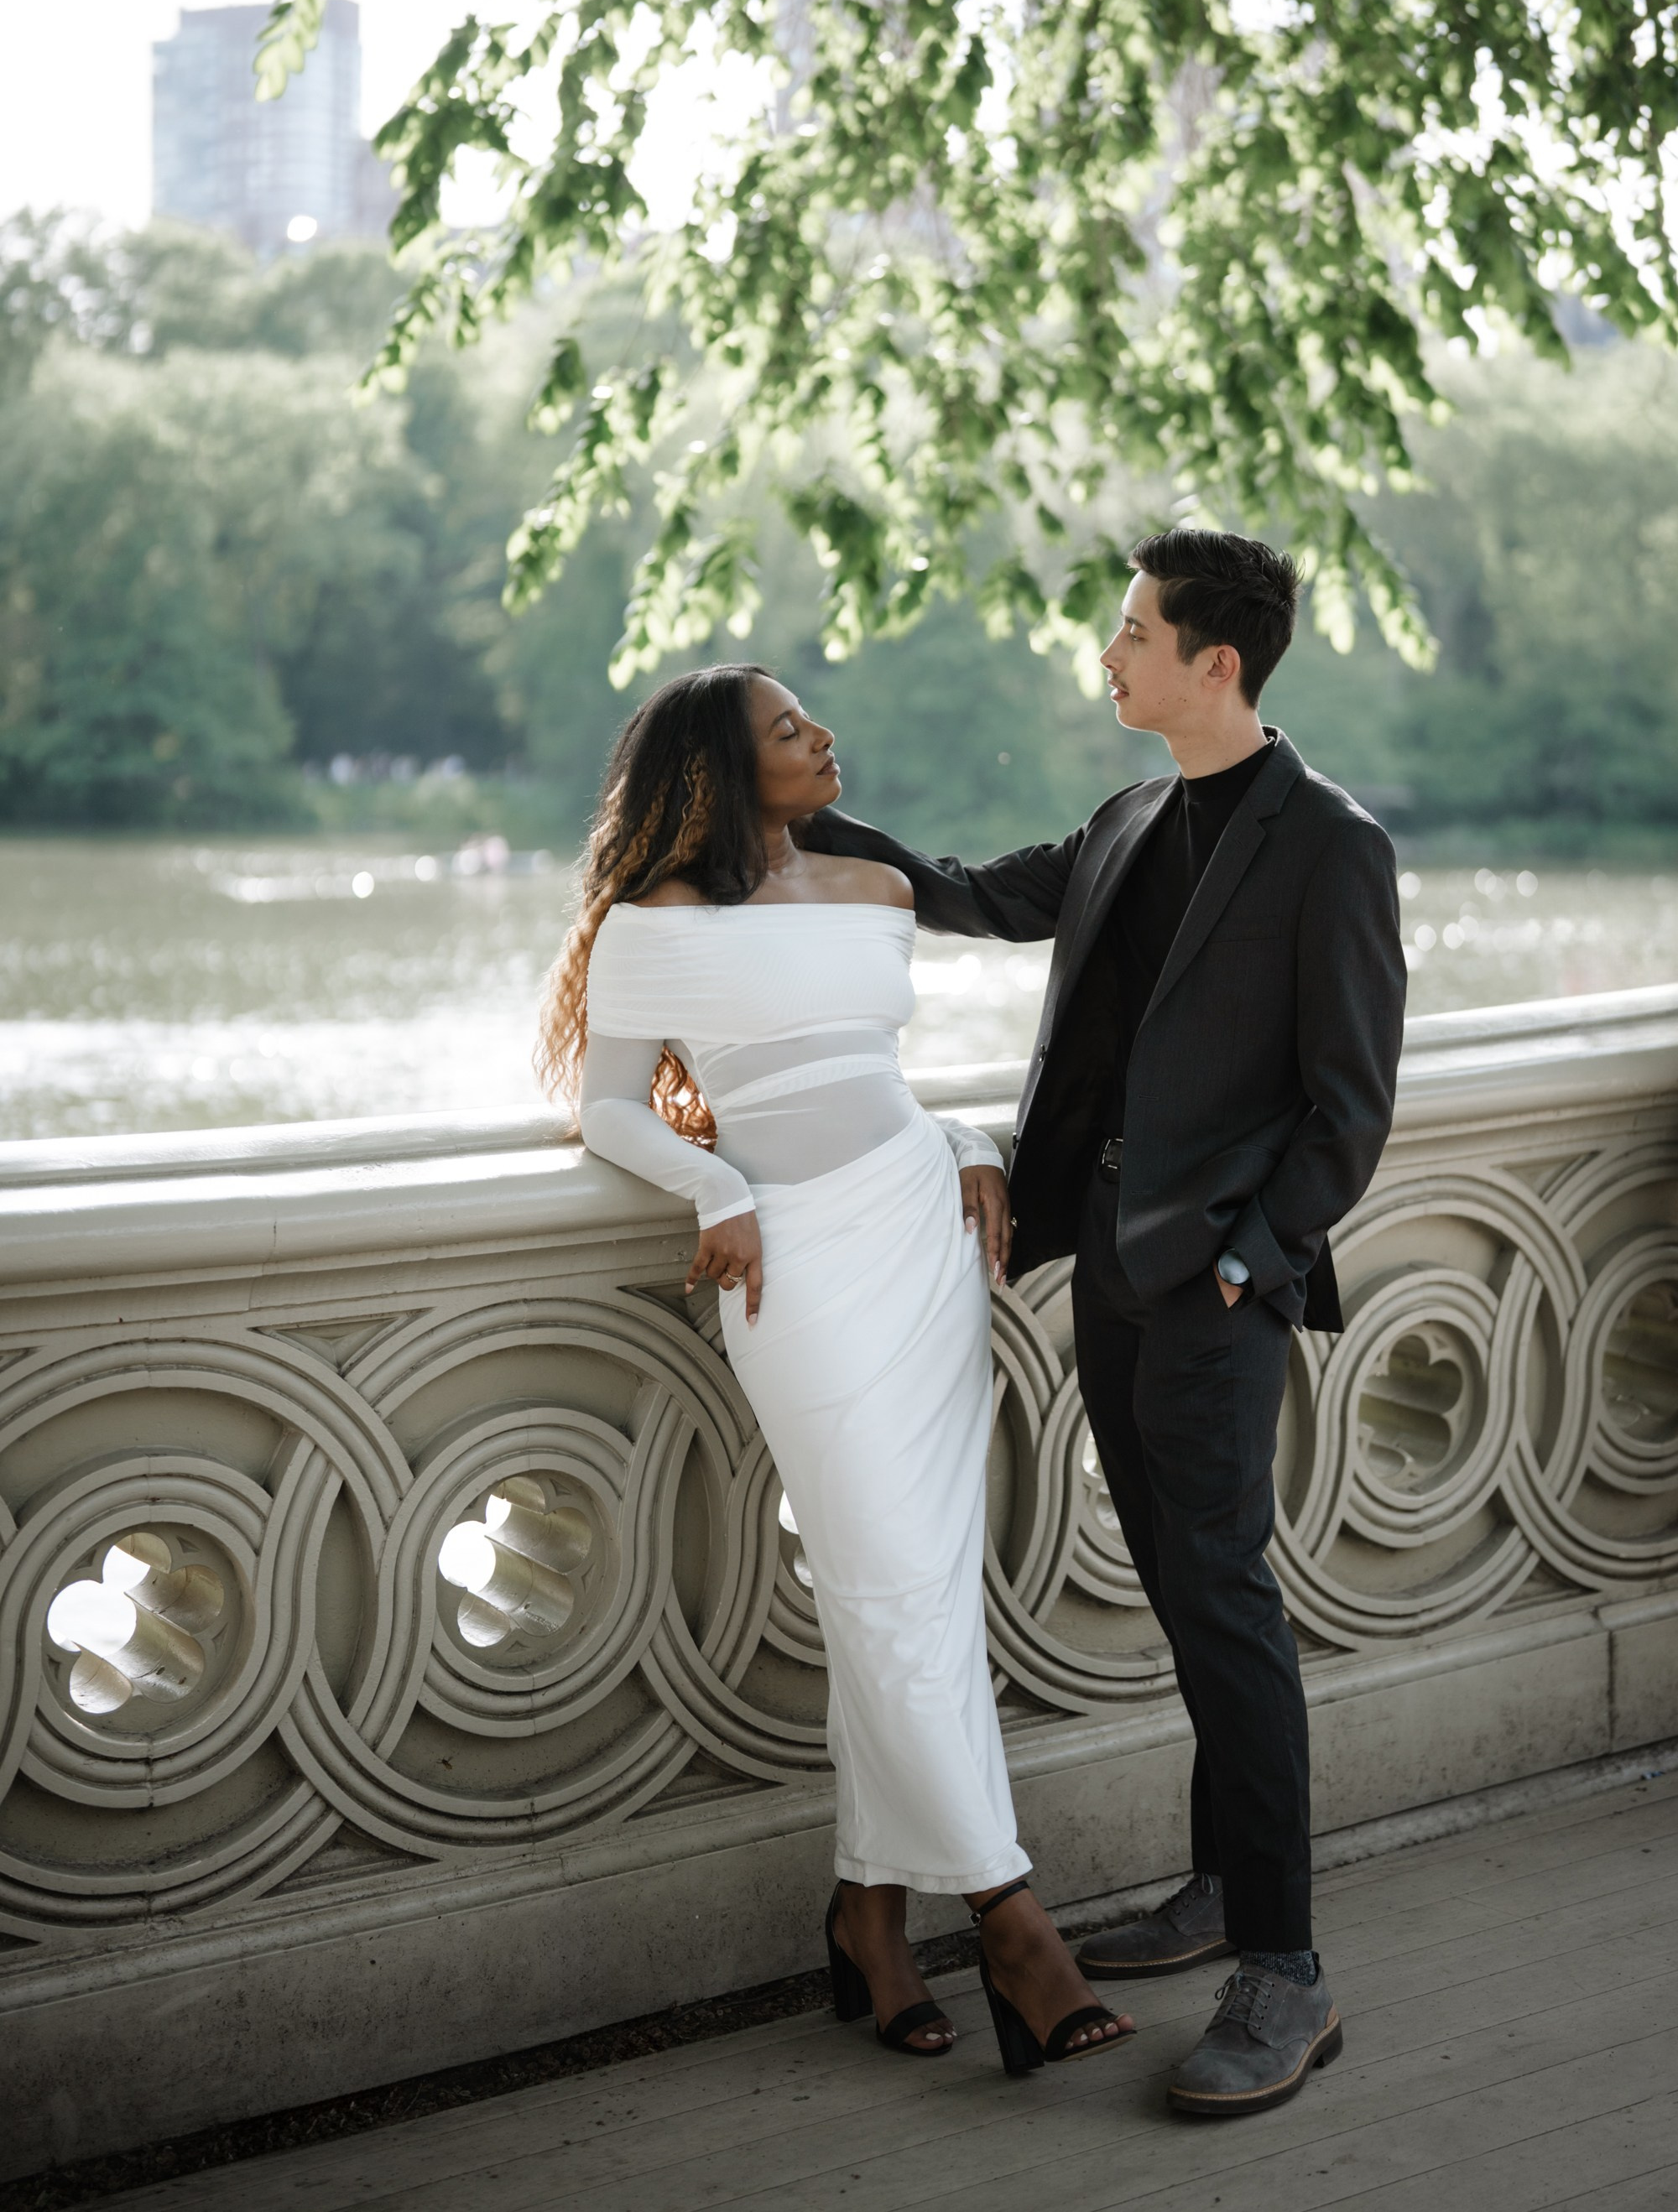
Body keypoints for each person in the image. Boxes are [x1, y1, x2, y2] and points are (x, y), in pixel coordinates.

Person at [807, 529, 1407, 2116]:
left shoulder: (1333, 847)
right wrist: (808, 830)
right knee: (1190, 1588)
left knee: (1223, 1600)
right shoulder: (1137, 812)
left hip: (1215, 1286)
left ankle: (1284, 1969)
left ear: (1219, 662)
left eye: (1135, 632)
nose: (1109, 653)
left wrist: (1245, 1257)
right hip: (1112, 1273)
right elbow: (985, 897)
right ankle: (1219, 1889)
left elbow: (1349, 1110)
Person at [546, 664, 1132, 2071]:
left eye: (814, 719)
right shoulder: (653, 923)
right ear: (719, 771)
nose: (822, 737)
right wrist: (711, 1187)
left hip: (922, 1238)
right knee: (881, 1583)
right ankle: (1012, 1920)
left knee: (921, 1587)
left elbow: (875, 1078)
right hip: (794, 1267)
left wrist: (976, 1148)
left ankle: (869, 1920)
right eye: (788, 729)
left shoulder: (876, 892)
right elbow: (608, 1112)